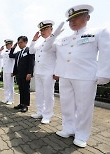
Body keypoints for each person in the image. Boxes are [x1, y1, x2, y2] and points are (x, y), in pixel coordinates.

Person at [52, 4, 110, 147]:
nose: (72, 22)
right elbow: (53, 50)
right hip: (65, 76)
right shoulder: (65, 39)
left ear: (87, 17)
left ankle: (82, 135)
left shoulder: (99, 32)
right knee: (66, 104)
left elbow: (106, 52)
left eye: (76, 18)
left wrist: (104, 73)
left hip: (85, 76)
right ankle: (68, 128)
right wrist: (55, 34)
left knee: (84, 107)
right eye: (70, 20)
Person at [29, 20, 58, 124]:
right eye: (41, 29)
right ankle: (40, 111)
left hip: (49, 73)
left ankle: (47, 115)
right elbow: (31, 51)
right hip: (38, 72)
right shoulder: (40, 44)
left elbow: (59, 57)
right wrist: (34, 40)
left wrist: (57, 71)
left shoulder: (55, 42)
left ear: (51, 29)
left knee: (48, 94)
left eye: (45, 29)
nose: (43, 31)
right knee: (40, 93)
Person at [9, 36, 35, 112]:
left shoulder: (29, 50)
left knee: (26, 89)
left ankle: (25, 105)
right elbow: (10, 55)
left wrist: (30, 73)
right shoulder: (18, 53)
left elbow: (31, 62)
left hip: (26, 74)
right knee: (21, 89)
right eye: (18, 43)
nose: (19, 44)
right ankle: (21, 104)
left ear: (25, 42)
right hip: (19, 74)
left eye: (21, 42)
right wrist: (13, 48)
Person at [0, 39, 15, 105]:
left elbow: (14, 62)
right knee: (6, 85)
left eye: (8, 44)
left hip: (10, 71)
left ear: (11, 45)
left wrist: (13, 71)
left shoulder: (13, 52)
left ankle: (11, 99)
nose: (7, 46)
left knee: (10, 86)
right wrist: (0, 51)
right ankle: (6, 98)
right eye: (6, 45)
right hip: (5, 71)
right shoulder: (5, 52)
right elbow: (0, 56)